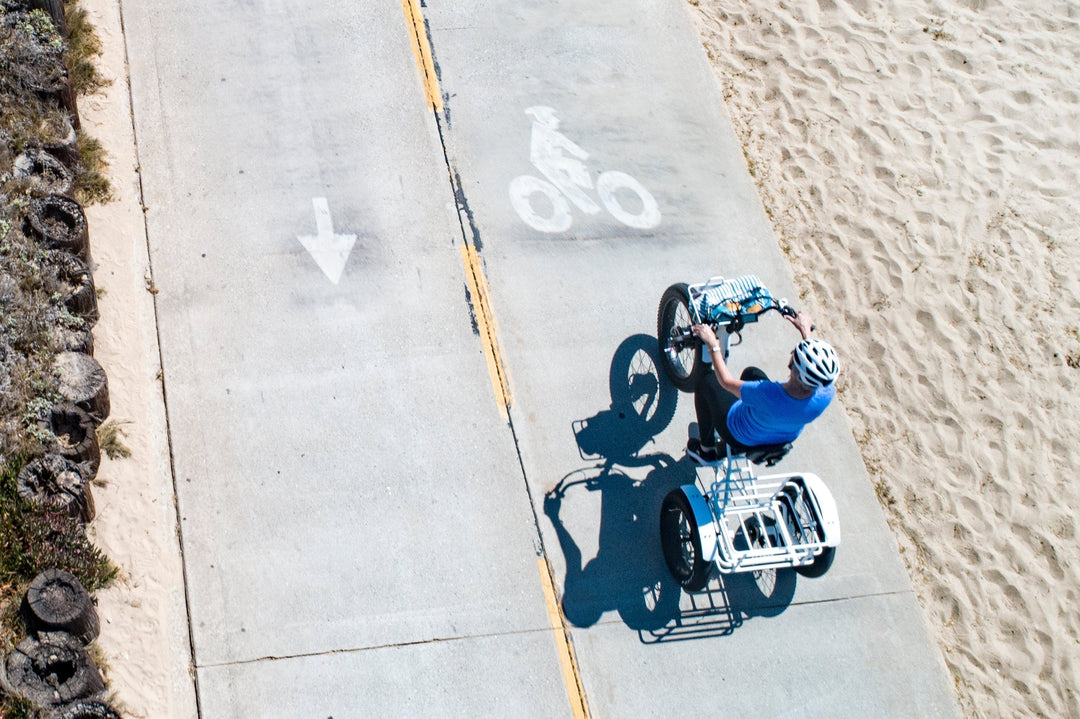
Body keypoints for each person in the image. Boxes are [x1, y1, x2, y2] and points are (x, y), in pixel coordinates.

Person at [686, 311, 839, 464]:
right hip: (779, 439)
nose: (792, 351)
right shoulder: (826, 393)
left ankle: (706, 451)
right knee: (751, 373)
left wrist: (713, 344)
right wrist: (805, 331)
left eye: (795, 353)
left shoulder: (766, 393)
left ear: (793, 367)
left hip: (738, 435)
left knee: (707, 381)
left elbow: (726, 381)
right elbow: (813, 369)